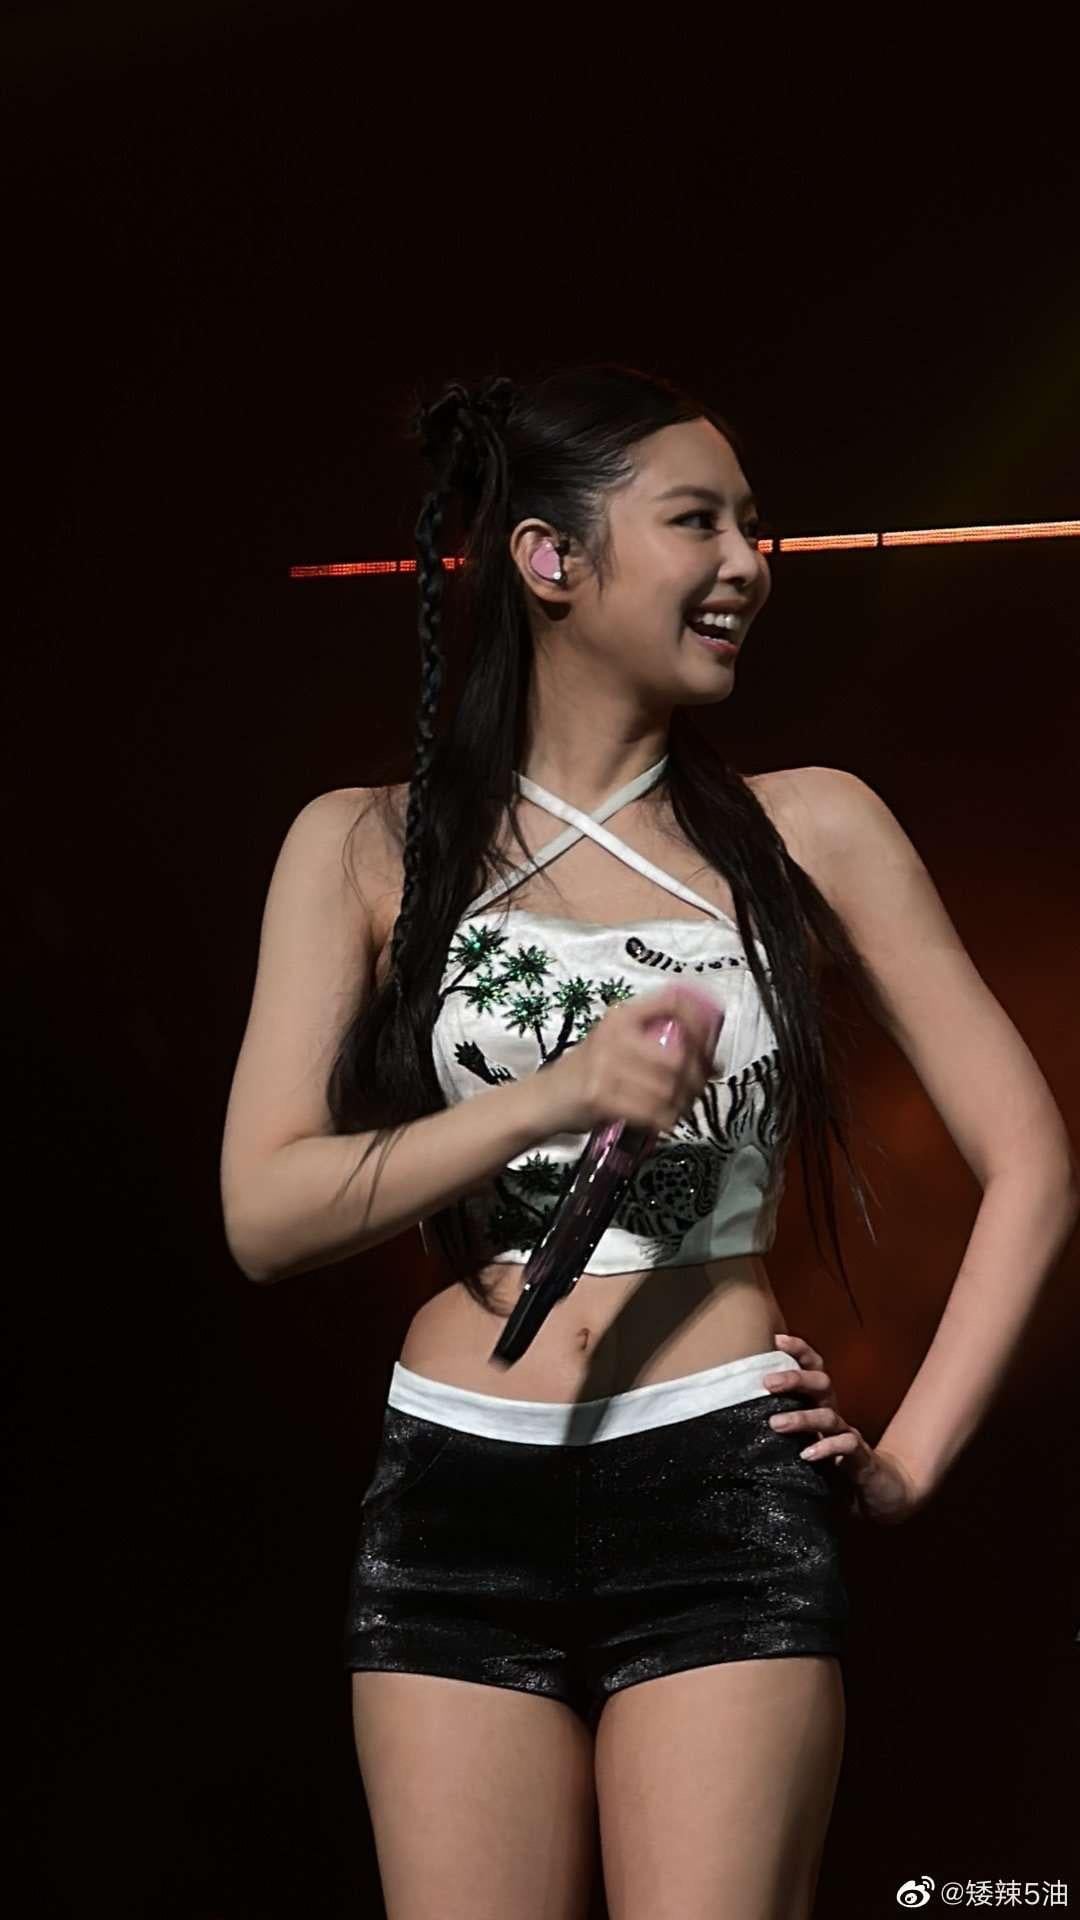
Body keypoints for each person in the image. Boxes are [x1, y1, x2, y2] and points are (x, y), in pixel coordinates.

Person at [220, 362, 1079, 1920]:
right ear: (551, 559)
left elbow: (1032, 1158)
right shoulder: (361, 843)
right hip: (454, 1494)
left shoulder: (814, 826)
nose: (750, 562)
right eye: (700, 522)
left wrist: (905, 1464)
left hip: (718, 1493)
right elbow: (266, 1215)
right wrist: (554, 1094)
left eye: (756, 526)